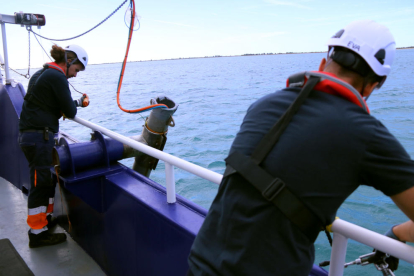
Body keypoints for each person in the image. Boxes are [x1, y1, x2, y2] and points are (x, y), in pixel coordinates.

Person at [187, 20, 414, 275]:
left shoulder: (262, 105)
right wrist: (396, 233)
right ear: (372, 86)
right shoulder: (367, 134)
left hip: (200, 265)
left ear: (323, 63)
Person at [18, 44, 90, 248]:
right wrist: (79, 104)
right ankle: (37, 234)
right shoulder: (57, 77)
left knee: (45, 182)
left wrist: (74, 103)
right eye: (76, 70)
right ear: (69, 60)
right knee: (40, 185)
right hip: (38, 138)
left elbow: (52, 105)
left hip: (33, 136)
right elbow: (69, 111)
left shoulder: (42, 73)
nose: (75, 75)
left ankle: (44, 221)